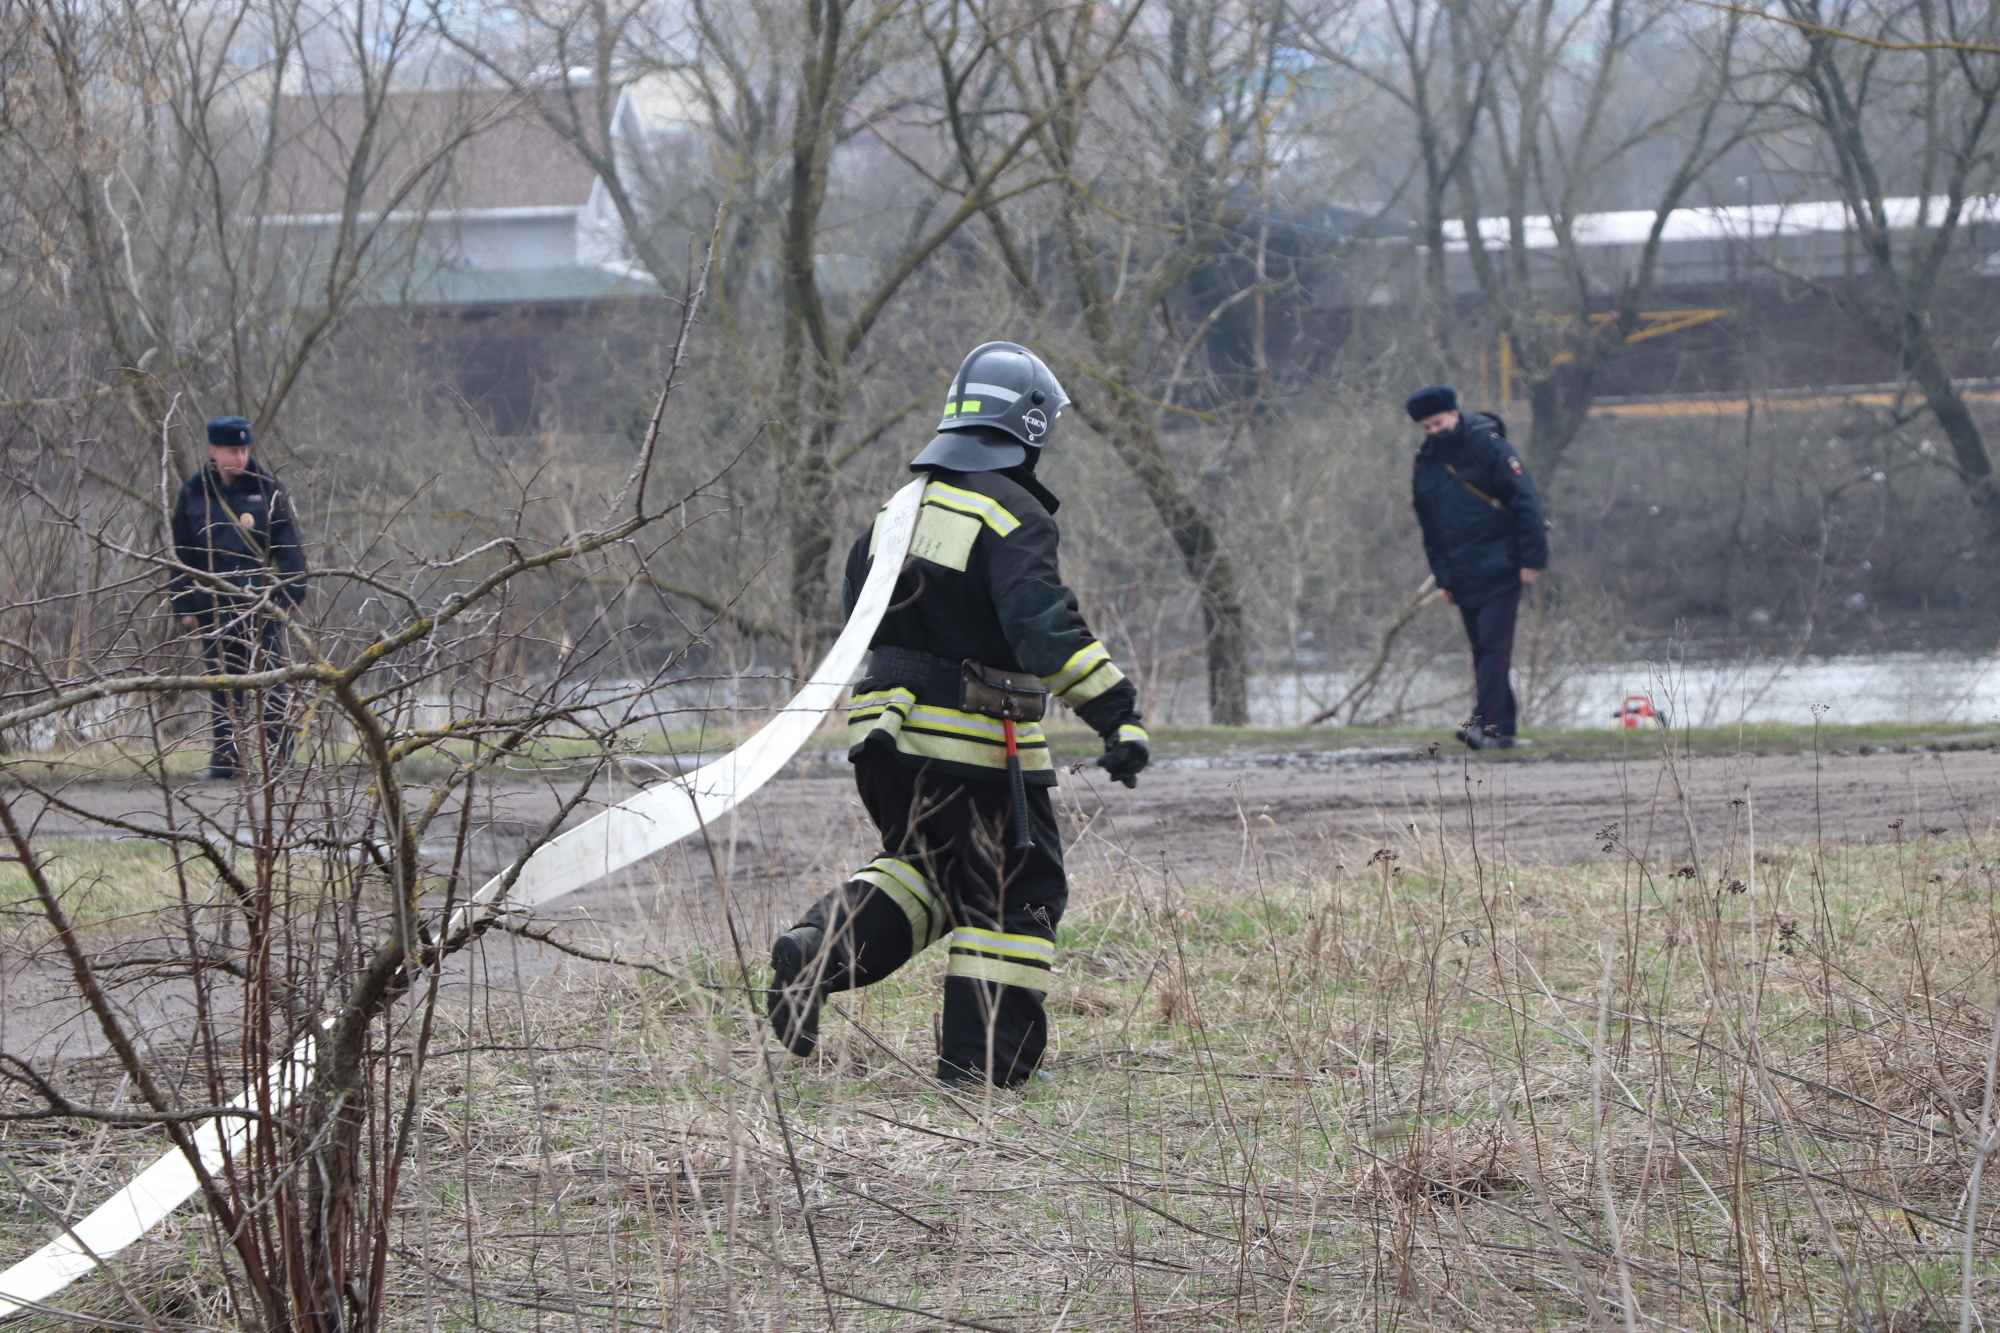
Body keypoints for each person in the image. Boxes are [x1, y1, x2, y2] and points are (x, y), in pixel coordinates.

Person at [766, 342, 1149, 1088]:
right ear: (1031, 427)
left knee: (932, 876)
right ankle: (984, 1066)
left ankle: (817, 951)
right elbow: (1045, 627)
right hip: (973, 742)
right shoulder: (1012, 511)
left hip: (881, 740)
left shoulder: (895, 511)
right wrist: (1117, 715)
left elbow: (857, 614)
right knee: (1015, 892)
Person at [1406, 385, 1548, 751]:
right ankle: (1503, 730)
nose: (1434, 431)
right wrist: (1444, 577)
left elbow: (1526, 502)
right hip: (1461, 571)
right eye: (1426, 427)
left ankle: (1480, 723)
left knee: (1493, 646)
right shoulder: (1426, 461)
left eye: (1437, 423)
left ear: (1454, 413)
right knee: (1484, 650)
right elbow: (1430, 525)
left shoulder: (1490, 446)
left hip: (1502, 563)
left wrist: (1532, 560)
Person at [171, 415, 310, 779]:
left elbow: (290, 547)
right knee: (223, 683)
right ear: (214, 451)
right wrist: (184, 605)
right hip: (211, 603)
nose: (240, 457)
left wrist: (289, 594)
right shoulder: (193, 491)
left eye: (244, 449)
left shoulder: (268, 487)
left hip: (259, 602)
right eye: (233, 450)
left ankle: (280, 758)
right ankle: (226, 760)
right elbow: (182, 554)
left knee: (272, 680)